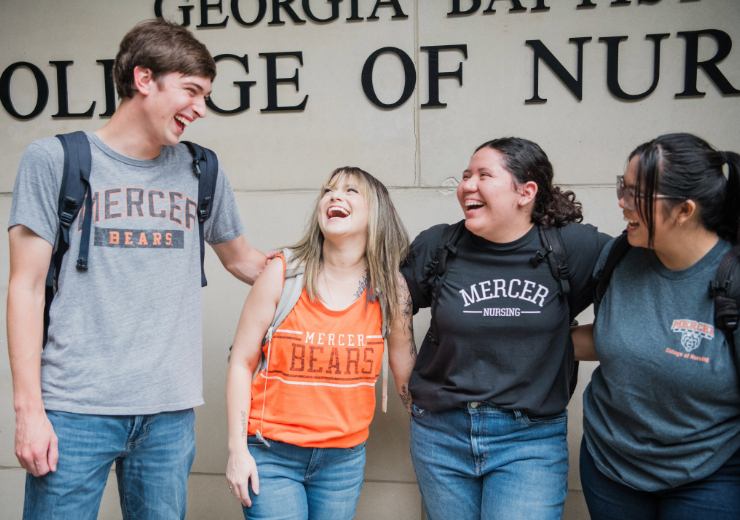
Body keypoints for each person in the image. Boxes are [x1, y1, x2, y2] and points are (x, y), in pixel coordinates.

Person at [7, 19, 267, 520]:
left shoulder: (201, 169)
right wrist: (29, 412)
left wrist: (342, 265)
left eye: (207, 95)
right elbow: (26, 287)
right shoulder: (54, 160)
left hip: (169, 415)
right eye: (191, 91)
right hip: (75, 409)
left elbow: (244, 261)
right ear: (144, 79)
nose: (201, 109)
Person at [395, 137, 610, 520]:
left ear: (525, 192)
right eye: (465, 176)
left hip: (530, 439)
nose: (467, 186)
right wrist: (405, 377)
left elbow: (642, 283)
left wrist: (562, 344)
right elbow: (395, 303)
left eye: (483, 175)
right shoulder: (440, 244)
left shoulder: (572, 248)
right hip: (441, 435)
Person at [225, 167, 412, 520]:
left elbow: (405, 371)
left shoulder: (391, 288)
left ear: (377, 213)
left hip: (343, 461)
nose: (334, 196)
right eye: (328, 190)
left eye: (350, 191)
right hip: (271, 454)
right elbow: (241, 363)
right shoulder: (283, 272)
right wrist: (237, 449)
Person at [573, 133, 740, 520]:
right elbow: (613, 339)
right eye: (623, 187)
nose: (622, 203)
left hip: (708, 476)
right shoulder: (618, 258)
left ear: (684, 210)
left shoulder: (732, 279)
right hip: (609, 468)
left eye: (636, 195)